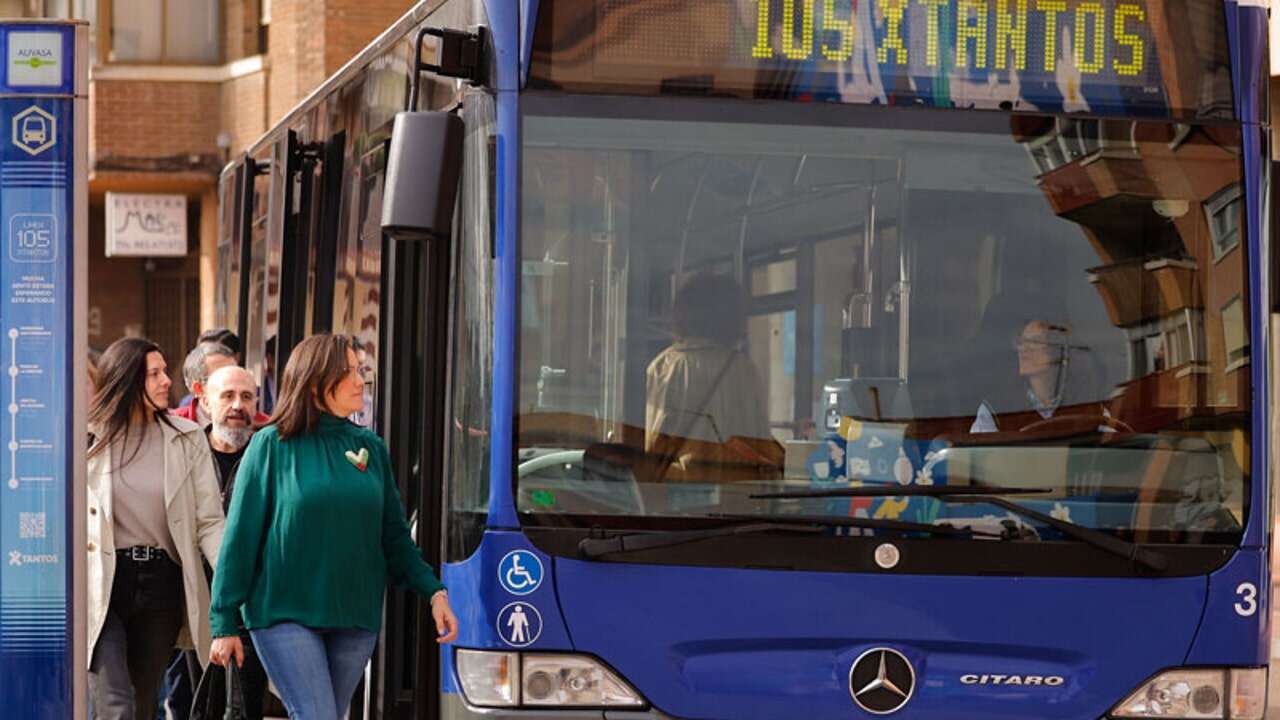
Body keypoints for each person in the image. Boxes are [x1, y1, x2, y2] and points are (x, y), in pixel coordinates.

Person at [208, 333, 458, 719]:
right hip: (283, 612)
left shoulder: (370, 447)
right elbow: (240, 538)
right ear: (314, 382)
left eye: (361, 371)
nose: (360, 381)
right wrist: (223, 619)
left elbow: (392, 536)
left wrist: (434, 592)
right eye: (349, 372)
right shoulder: (270, 446)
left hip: (355, 616)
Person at [86, 337, 226, 720]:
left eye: (165, 371)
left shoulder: (187, 437)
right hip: (103, 584)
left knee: (144, 704)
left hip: (161, 584)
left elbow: (209, 521)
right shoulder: (87, 439)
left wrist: (232, 577)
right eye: (155, 373)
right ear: (128, 380)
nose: (167, 380)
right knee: (116, 706)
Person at [163, 365, 271, 720]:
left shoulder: (271, 454)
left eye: (246, 397)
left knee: (246, 702)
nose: (238, 405)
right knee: (196, 701)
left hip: (254, 602)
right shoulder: (184, 453)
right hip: (194, 600)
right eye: (227, 396)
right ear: (204, 400)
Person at [645, 272, 776, 482]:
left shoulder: (666, 366)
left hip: (681, 493)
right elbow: (760, 439)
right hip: (736, 494)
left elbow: (657, 441)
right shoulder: (744, 368)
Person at [970, 319, 1110, 433]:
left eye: (1035, 341)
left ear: (1059, 351)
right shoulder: (996, 407)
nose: (1024, 349)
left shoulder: (1086, 401)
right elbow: (978, 458)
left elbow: (1109, 446)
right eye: (1022, 342)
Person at [173, 342, 237, 425]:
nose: (235, 383)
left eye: (237, 373)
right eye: (224, 378)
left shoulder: (257, 426)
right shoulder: (173, 426)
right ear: (199, 389)